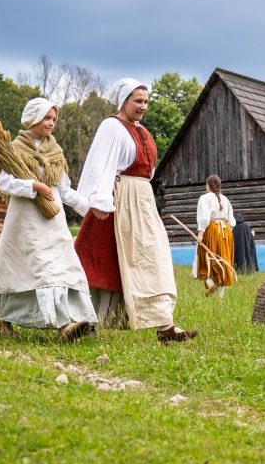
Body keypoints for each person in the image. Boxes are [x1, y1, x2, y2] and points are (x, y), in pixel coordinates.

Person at [74, 78, 197, 343]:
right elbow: (101, 164)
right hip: (120, 201)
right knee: (100, 261)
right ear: (124, 101)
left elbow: (148, 171)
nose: (143, 106)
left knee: (154, 258)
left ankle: (165, 324)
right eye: (137, 101)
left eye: (145, 101)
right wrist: (101, 201)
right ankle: (79, 320)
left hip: (142, 200)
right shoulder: (112, 126)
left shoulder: (142, 130)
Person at [0, 98, 97, 342]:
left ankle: (68, 321)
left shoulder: (55, 152)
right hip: (24, 222)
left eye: (54, 118)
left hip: (53, 221)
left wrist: (88, 206)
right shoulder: (14, 150)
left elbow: (63, 189)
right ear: (32, 117)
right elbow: (4, 182)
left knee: (62, 267)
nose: (52, 123)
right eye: (47, 117)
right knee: (23, 269)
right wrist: (32, 185)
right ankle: (5, 321)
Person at [194, 175, 236, 298]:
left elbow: (205, 217)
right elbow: (231, 220)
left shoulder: (204, 198)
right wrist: (227, 235)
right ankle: (219, 299)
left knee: (204, 256)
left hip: (211, 229)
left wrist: (201, 233)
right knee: (223, 260)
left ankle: (210, 282)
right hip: (226, 231)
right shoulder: (225, 199)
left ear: (208, 185)